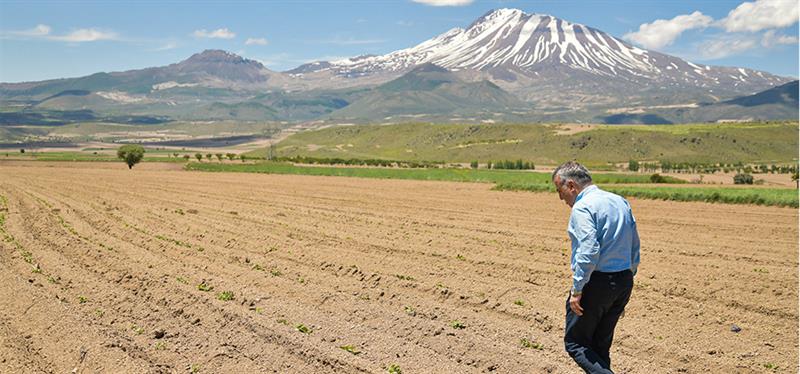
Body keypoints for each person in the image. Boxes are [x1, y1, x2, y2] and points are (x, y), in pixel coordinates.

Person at [551, 161, 640, 374]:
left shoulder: (583, 207)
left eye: (559, 190)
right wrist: (624, 282)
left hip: (597, 282)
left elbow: (588, 250)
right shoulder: (619, 201)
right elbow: (634, 245)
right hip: (624, 280)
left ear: (571, 185)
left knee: (576, 344)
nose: (560, 197)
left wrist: (578, 289)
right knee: (600, 346)